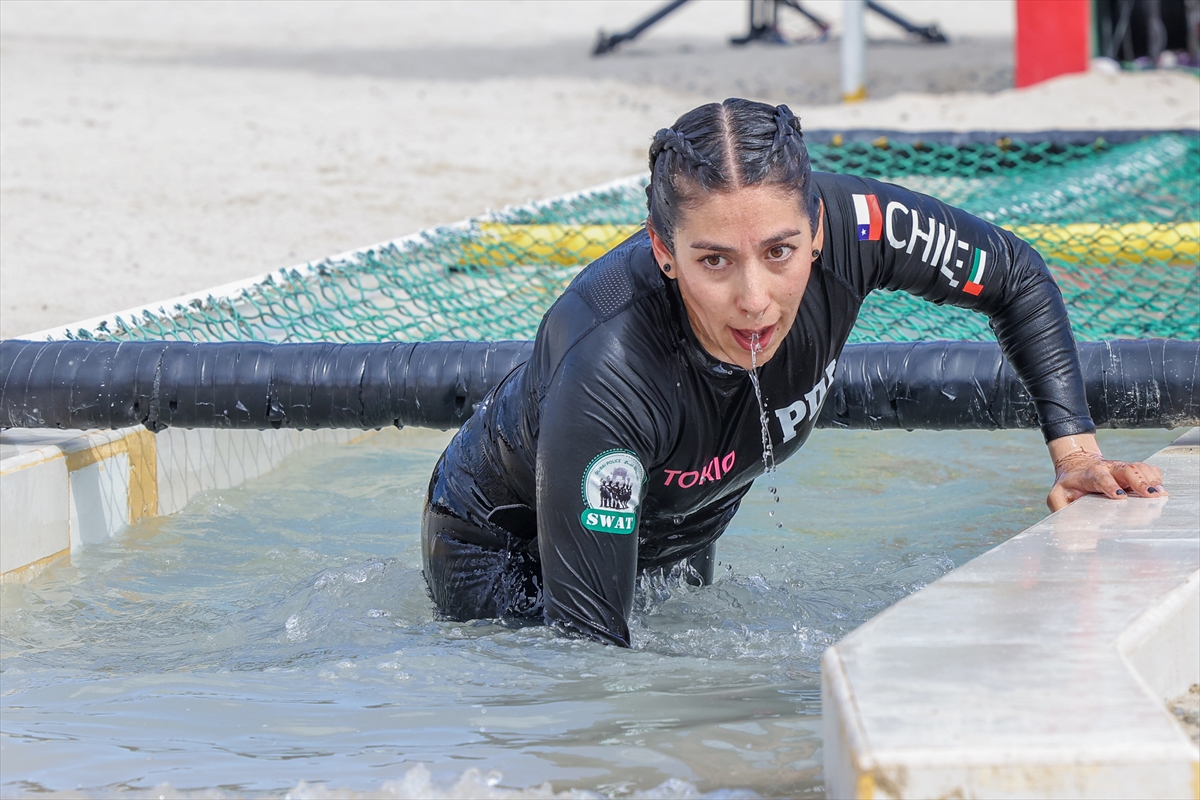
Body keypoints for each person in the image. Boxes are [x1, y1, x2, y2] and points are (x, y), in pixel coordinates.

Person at [421, 98, 1167, 647]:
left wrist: (1077, 457)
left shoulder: (860, 222)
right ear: (662, 251)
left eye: (780, 252)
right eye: (714, 261)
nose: (754, 300)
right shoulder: (607, 374)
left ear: (816, 226)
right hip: (504, 550)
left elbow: (1017, 276)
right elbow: (587, 661)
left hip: (674, 518)